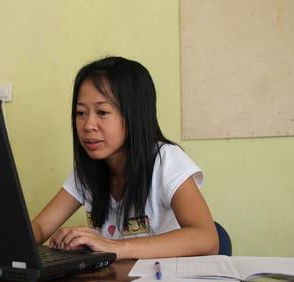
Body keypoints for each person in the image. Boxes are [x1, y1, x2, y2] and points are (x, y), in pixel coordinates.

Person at [31, 56, 218, 260]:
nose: (88, 125)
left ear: (134, 115)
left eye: (102, 112)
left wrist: (113, 247)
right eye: (81, 113)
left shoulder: (165, 160)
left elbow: (207, 239)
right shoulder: (87, 171)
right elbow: (40, 227)